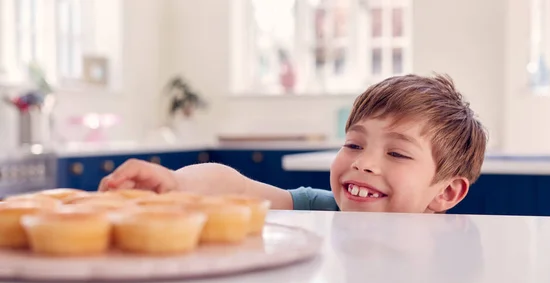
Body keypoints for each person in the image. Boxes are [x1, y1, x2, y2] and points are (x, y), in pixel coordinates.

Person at [99, 74, 487, 213]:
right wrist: (177, 185)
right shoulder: (324, 209)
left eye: (397, 152)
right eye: (353, 144)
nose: (363, 163)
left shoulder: (449, 253)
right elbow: (233, 187)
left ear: (447, 192)